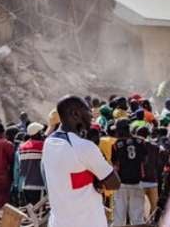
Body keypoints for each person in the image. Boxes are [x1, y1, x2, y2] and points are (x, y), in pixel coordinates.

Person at [42, 95, 120, 227]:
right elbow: (114, 183)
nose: (91, 116)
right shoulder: (84, 147)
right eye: (88, 111)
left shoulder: (48, 143)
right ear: (75, 114)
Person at [112, 118, 147, 226]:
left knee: (119, 218)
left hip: (121, 184)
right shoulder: (141, 141)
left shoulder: (116, 144)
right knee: (138, 219)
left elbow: (115, 164)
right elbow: (145, 160)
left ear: (121, 130)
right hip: (137, 182)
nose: (116, 132)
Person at [17, 122, 45, 205]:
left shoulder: (22, 147)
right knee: (39, 211)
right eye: (41, 132)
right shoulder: (42, 146)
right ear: (37, 133)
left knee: (31, 210)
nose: (42, 134)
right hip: (40, 186)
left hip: (26, 185)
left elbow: (21, 169)